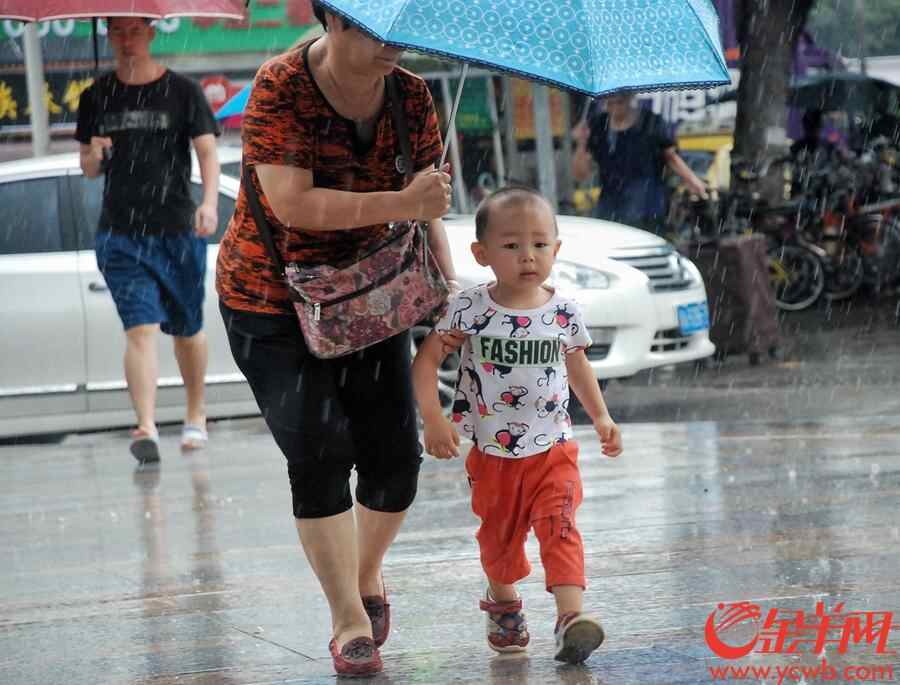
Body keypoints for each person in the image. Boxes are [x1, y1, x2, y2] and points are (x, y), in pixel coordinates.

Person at [215, 2, 458, 677]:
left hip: (368, 298)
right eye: (375, 33)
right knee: (319, 448)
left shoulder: (413, 97)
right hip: (270, 300)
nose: (392, 48)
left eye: (398, 35)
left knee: (395, 460)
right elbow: (294, 203)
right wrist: (402, 202)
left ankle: (366, 575)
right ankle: (348, 616)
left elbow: (428, 200)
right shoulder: (281, 87)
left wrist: (447, 289)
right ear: (334, 22)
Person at [412, 187, 623, 664]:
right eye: (511, 246)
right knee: (499, 542)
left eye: (539, 244)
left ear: (556, 249)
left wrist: (602, 416)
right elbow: (425, 363)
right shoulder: (470, 309)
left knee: (561, 526)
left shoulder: (563, 310)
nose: (528, 256)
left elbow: (577, 365)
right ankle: (503, 600)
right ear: (481, 253)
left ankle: (571, 619)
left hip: (554, 450)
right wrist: (433, 419)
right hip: (493, 456)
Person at [75, 17, 220, 463]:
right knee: (139, 328)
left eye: (134, 31)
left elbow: (208, 151)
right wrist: (93, 153)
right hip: (120, 233)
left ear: (152, 34)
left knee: (187, 328)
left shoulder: (183, 92)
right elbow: (88, 168)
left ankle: (195, 414)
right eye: (117, 32)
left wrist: (210, 202)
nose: (126, 40)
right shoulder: (95, 96)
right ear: (107, 37)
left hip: (176, 228)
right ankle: (146, 426)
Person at [573, 93, 707, 233]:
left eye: (619, 97)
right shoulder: (598, 125)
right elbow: (580, 174)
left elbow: (671, 157)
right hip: (610, 209)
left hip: (648, 208)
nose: (613, 100)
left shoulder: (651, 122)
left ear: (631, 95)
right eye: (609, 98)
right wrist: (581, 144)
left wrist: (693, 181)